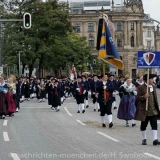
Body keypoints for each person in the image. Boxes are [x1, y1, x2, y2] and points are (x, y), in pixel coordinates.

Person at [134, 74, 160, 145]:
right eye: (151, 79)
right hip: (145, 109)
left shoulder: (154, 87)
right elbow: (138, 97)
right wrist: (144, 97)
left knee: (154, 124)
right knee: (144, 125)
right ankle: (144, 139)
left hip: (153, 109)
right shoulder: (141, 87)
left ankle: (155, 139)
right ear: (147, 80)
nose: (153, 80)